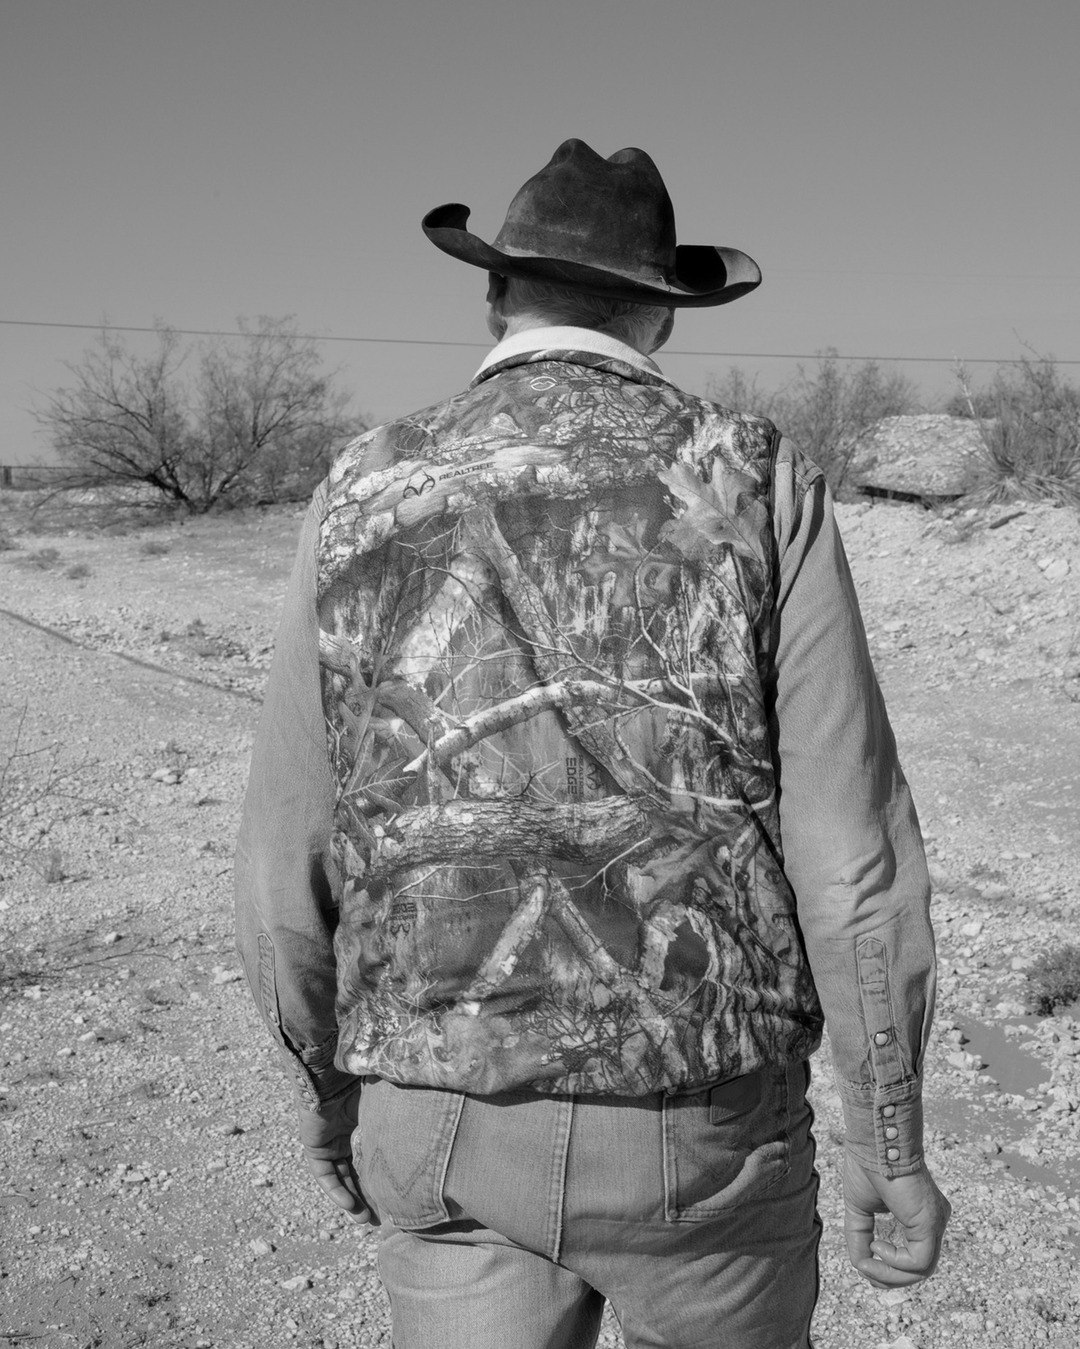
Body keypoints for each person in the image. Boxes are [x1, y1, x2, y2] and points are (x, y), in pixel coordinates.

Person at [235, 138, 949, 1349]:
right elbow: (853, 860)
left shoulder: (358, 486)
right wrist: (892, 1138)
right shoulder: (755, 479)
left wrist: (334, 1094)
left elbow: (281, 871)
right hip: (701, 1138)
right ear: (660, 316)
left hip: (439, 1116)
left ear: (496, 293)